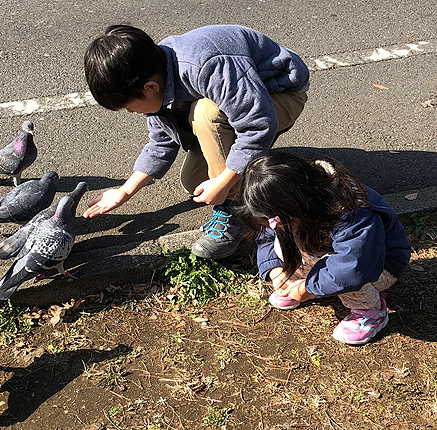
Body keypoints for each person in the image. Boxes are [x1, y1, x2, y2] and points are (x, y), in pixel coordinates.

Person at [82, 24, 310, 259]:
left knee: (206, 114)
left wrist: (224, 185)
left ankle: (238, 213)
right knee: (196, 183)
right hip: (244, 103)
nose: (132, 113)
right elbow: (161, 142)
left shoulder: (207, 64)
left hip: (281, 93)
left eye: (129, 107)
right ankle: (248, 172)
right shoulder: (155, 72)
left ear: (150, 87)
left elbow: (258, 124)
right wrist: (124, 191)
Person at [237, 151, 411, 345]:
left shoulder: (351, 210)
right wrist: (276, 270)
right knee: (282, 241)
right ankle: (296, 281)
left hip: (379, 265)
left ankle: (370, 311)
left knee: (344, 273)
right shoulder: (298, 203)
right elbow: (268, 235)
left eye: (276, 218)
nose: (271, 223)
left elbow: (354, 266)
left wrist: (309, 288)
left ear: (295, 203)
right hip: (331, 253)